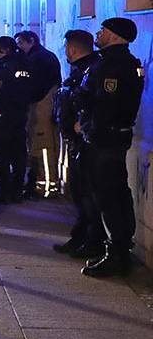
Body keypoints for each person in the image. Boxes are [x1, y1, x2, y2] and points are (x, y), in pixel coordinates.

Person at [76, 17, 144, 278]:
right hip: (109, 137)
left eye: (103, 31)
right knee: (115, 193)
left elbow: (106, 104)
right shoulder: (112, 62)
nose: (99, 34)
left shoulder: (114, 66)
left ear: (115, 35)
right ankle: (118, 247)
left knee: (108, 196)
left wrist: (91, 127)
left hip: (105, 139)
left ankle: (116, 252)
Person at [53, 30, 104, 258]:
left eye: (66, 48)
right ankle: (81, 238)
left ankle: (92, 242)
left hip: (85, 142)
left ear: (72, 49)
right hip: (77, 142)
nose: (65, 52)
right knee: (81, 193)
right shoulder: (82, 70)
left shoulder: (91, 70)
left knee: (88, 195)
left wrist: (81, 125)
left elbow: (92, 103)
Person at [14, 30, 63, 196]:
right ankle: (41, 184)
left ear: (31, 41)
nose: (18, 47)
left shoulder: (38, 59)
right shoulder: (43, 57)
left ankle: (47, 187)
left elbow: (34, 85)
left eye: (21, 43)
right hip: (42, 103)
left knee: (43, 146)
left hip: (42, 105)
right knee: (40, 145)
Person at [0, 36, 32, 203]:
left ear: (4, 49)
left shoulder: (0, 68)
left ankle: (5, 192)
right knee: (19, 155)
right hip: (20, 116)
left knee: (2, 156)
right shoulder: (25, 64)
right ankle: (17, 190)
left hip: (2, 117)